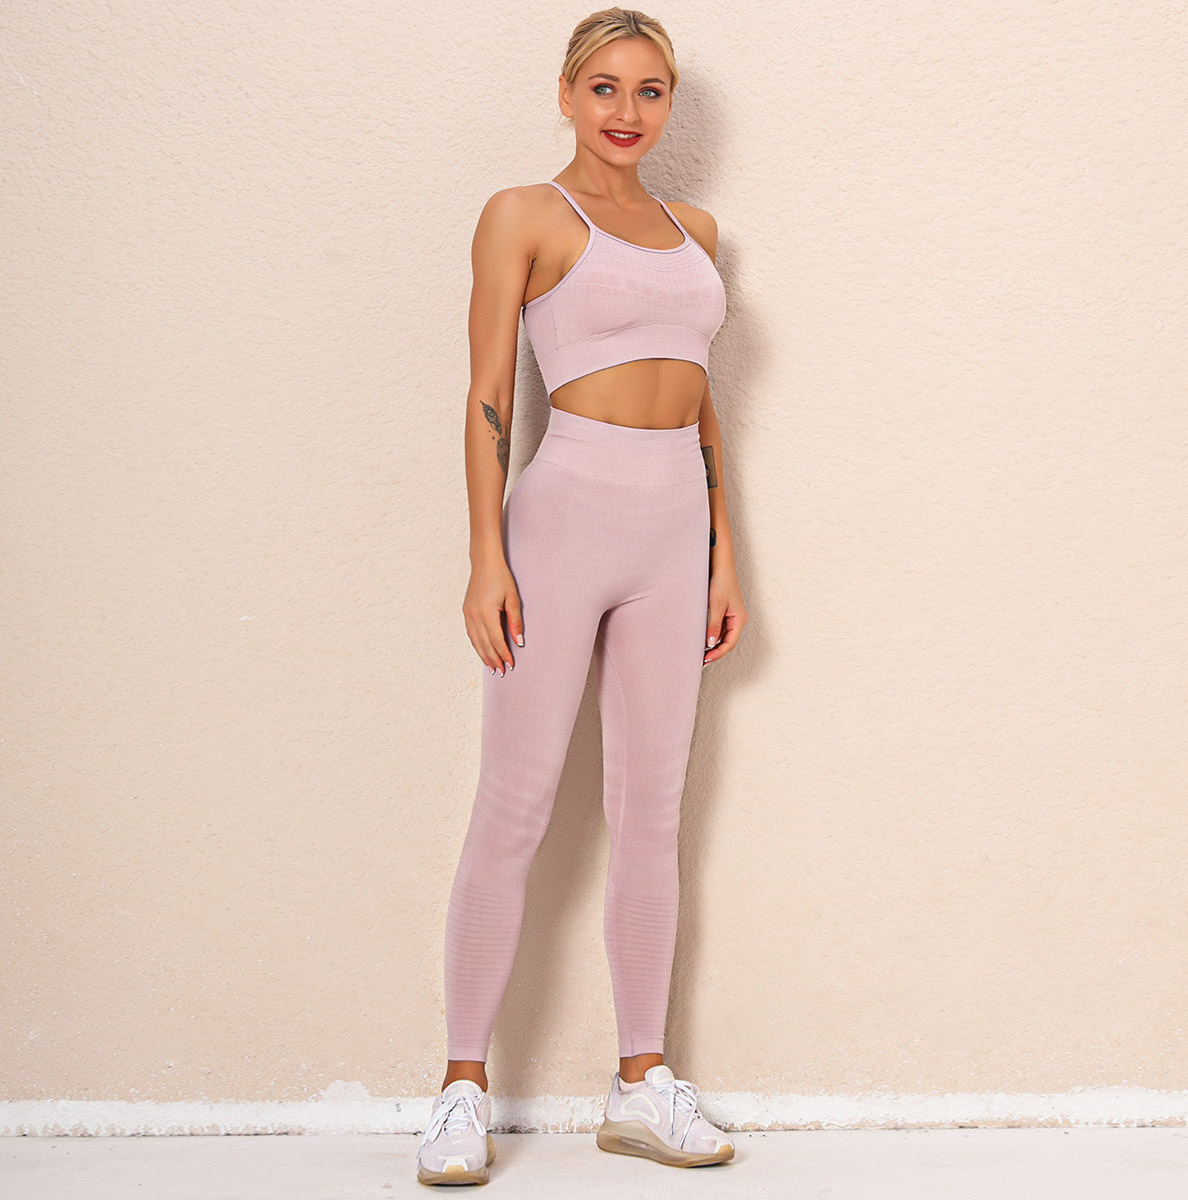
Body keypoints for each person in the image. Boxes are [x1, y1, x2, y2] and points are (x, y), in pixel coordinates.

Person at [417, 7, 748, 1186]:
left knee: (651, 810)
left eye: (650, 91)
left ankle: (641, 1082)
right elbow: (489, 394)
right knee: (515, 802)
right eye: (604, 86)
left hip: (671, 534)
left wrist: (722, 553)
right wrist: (485, 555)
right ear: (565, 94)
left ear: (669, 106)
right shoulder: (525, 214)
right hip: (561, 523)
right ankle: (462, 1086)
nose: (626, 110)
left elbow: (703, 400)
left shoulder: (696, 230)